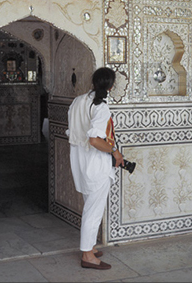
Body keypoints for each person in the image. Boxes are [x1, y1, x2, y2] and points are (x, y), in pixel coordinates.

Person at [66, 67, 124, 270]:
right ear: (111, 85)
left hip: (79, 162)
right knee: (93, 210)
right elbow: (94, 140)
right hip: (95, 164)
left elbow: (73, 131)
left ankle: (89, 247)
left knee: (89, 205)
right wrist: (115, 152)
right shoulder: (101, 106)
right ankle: (87, 255)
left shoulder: (78, 101)